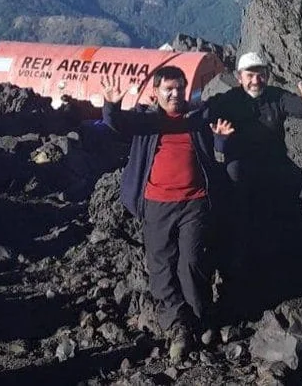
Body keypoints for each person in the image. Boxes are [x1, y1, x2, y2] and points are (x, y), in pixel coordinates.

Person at [99, 68, 234, 362]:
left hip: (195, 202)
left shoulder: (198, 120)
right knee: (161, 267)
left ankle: (199, 317)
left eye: (179, 88)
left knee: (193, 261)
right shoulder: (147, 122)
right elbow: (116, 123)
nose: (175, 94)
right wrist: (111, 104)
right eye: (168, 89)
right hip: (156, 204)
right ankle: (178, 326)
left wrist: (222, 141)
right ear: (156, 92)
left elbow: (218, 148)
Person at [207, 51, 302, 298]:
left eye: (261, 74)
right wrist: (220, 138)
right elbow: (216, 141)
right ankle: (238, 267)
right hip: (242, 168)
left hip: (276, 164)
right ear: (239, 77)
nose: (256, 80)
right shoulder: (227, 102)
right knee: (239, 202)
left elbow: (299, 108)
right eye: (250, 75)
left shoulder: (275, 96)